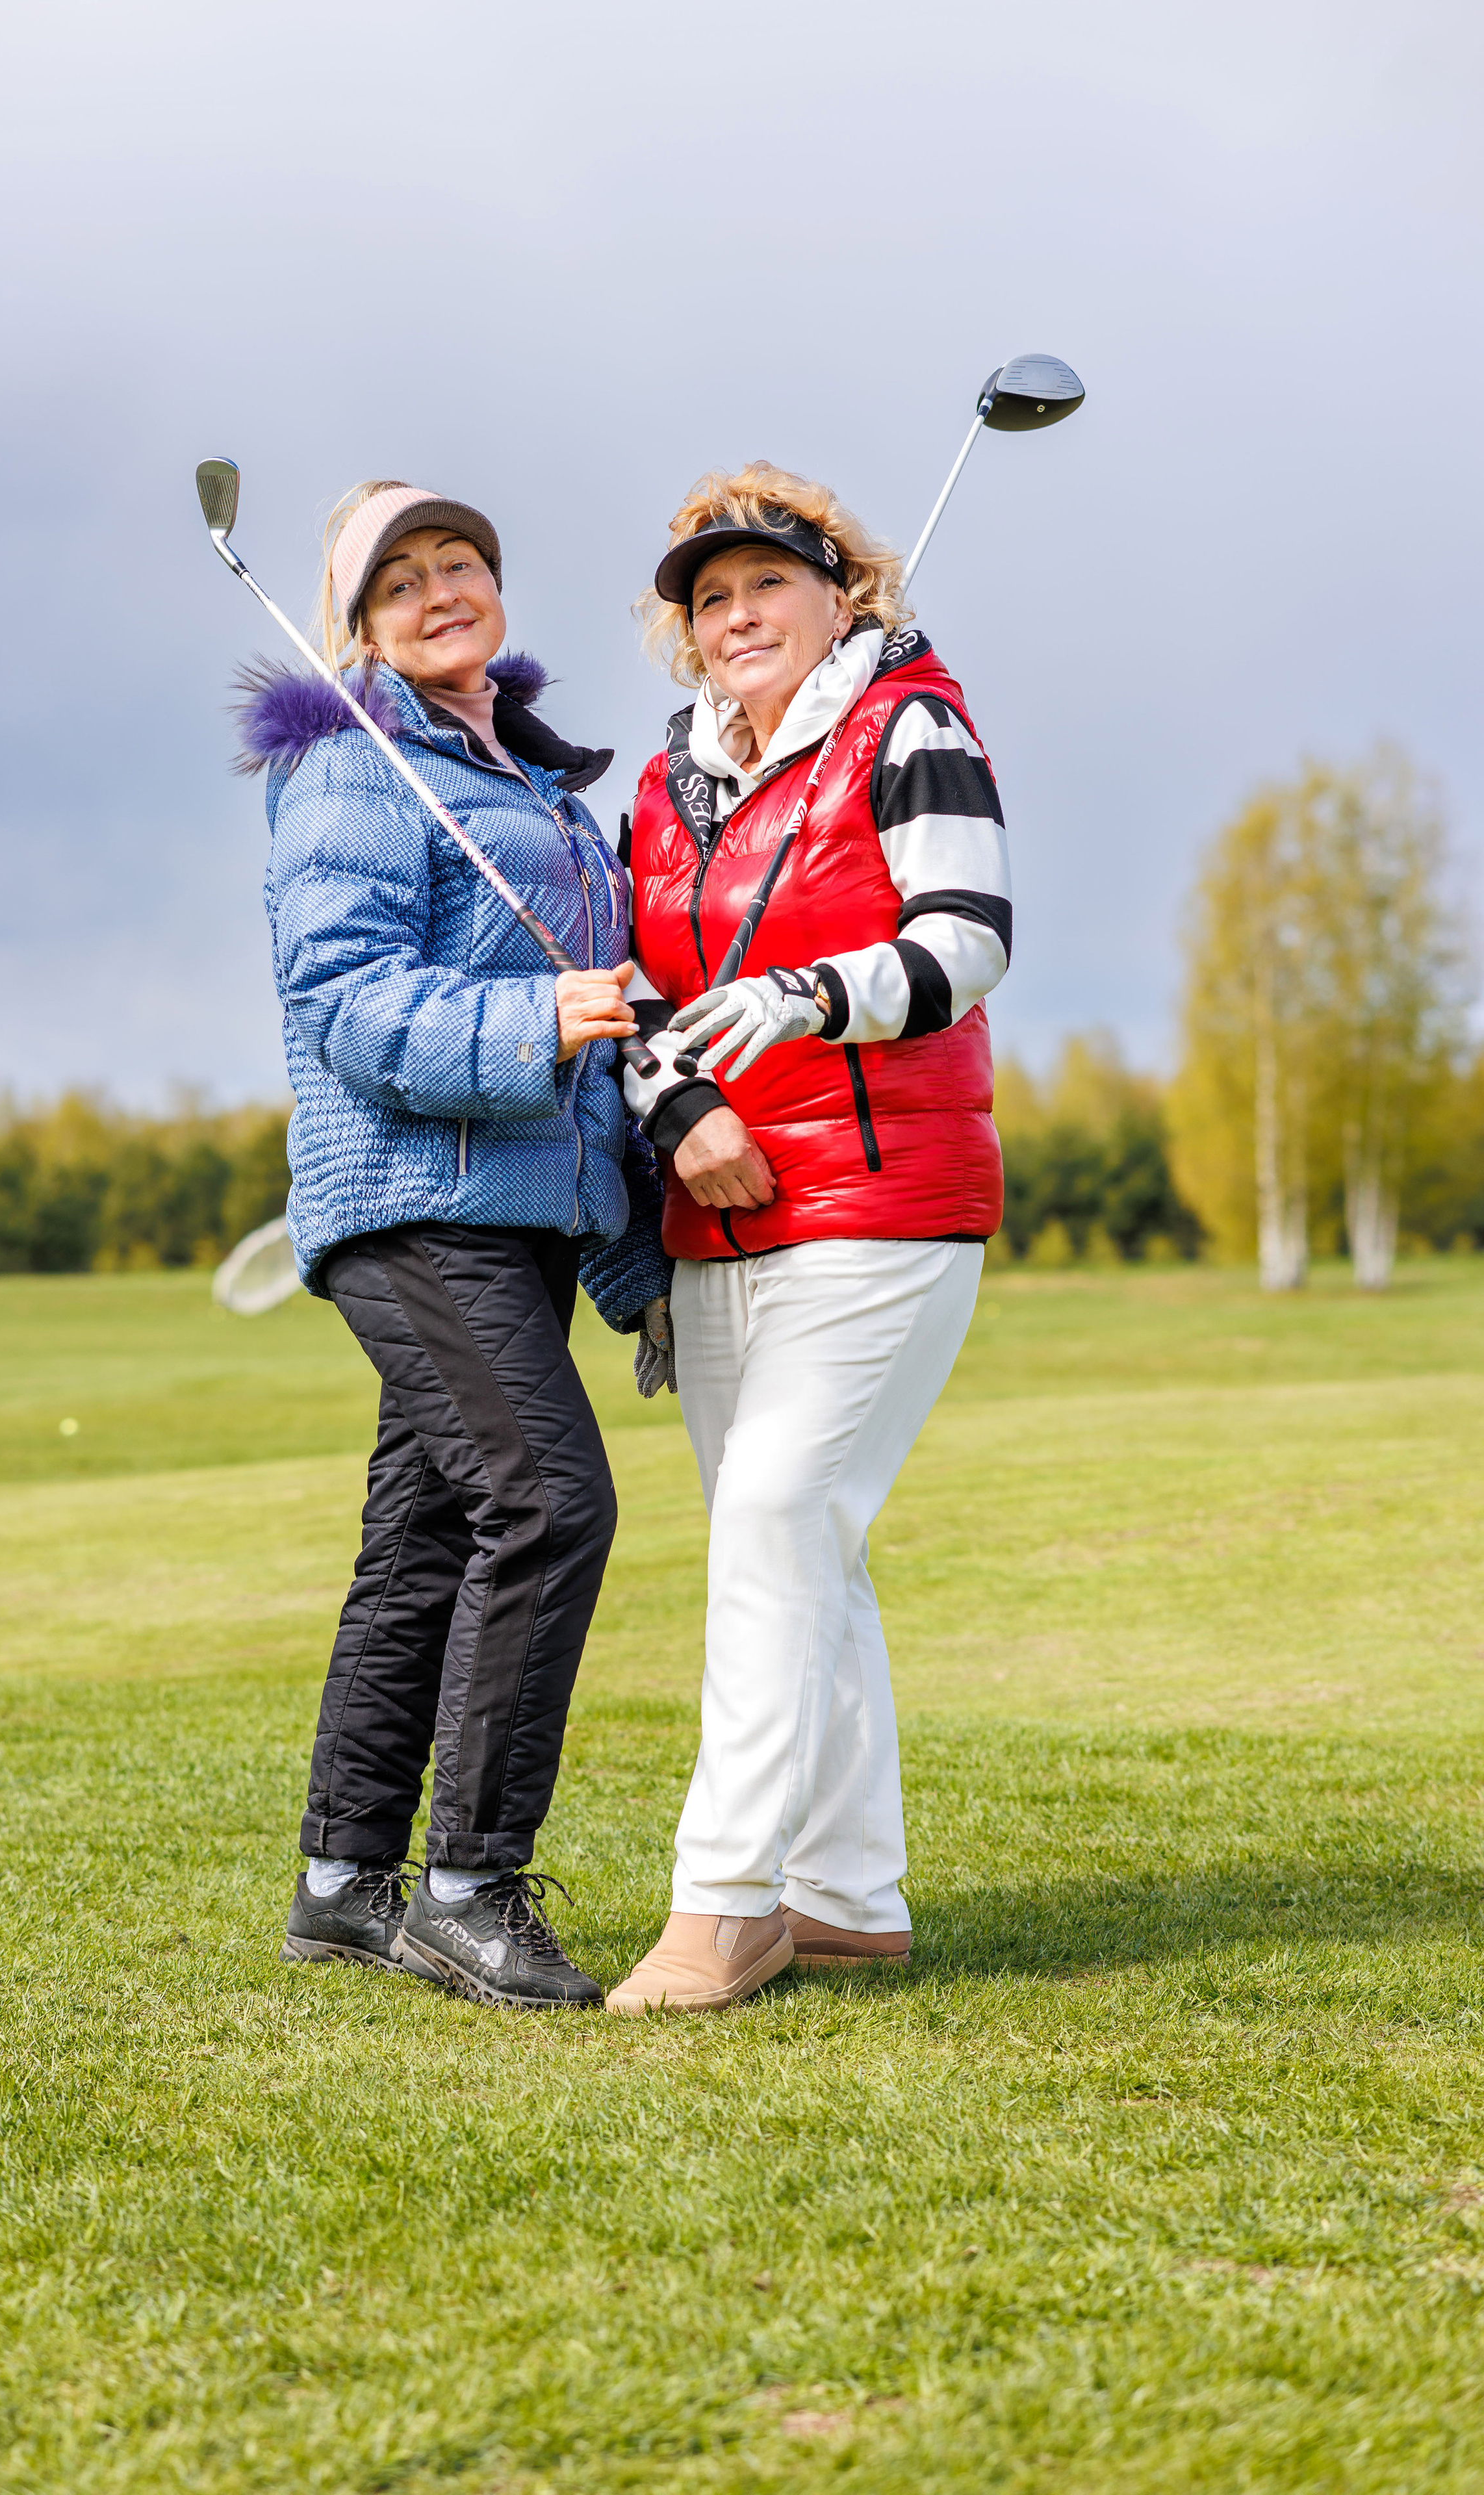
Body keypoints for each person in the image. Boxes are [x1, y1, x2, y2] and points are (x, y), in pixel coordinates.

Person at [236, 477, 671, 2008]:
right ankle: (471, 1890)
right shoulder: (359, 771)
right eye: (400, 578)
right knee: (549, 1504)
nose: (441, 589)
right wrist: (532, 1015)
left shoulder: (527, 781)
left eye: (461, 562)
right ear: (354, 626)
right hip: (414, 1202)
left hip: (522, 1209)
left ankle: (344, 1882)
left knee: (422, 1540)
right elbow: (343, 1003)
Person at [606, 463, 1010, 2014]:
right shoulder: (667, 788)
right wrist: (676, 1104)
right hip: (715, 1217)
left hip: (886, 1194)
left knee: (775, 1514)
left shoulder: (907, 724)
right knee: (802, 1550)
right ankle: (849, 1898)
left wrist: (804, 994)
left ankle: (723, 1905)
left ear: (841, 591)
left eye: (763, 583)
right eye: (705, 601)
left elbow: (968, 935)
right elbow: (637, 994)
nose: (733, 618)